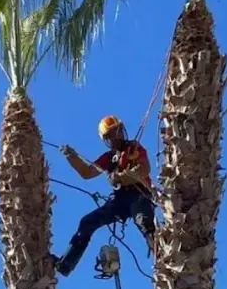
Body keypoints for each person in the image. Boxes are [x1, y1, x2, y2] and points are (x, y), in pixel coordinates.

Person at [53, 115, 156, 277]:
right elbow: (87, 172)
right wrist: (71, 157)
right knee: (87, 222)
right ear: (107, 139)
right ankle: (66, 264)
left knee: (144, 221)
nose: (118, 136)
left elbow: (145, 169)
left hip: (139, 194)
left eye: (119, 131)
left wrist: (123, 177)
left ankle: (162, 254)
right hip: (120, 200)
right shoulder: (109, 158)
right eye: (113, 134)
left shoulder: (133, 149)